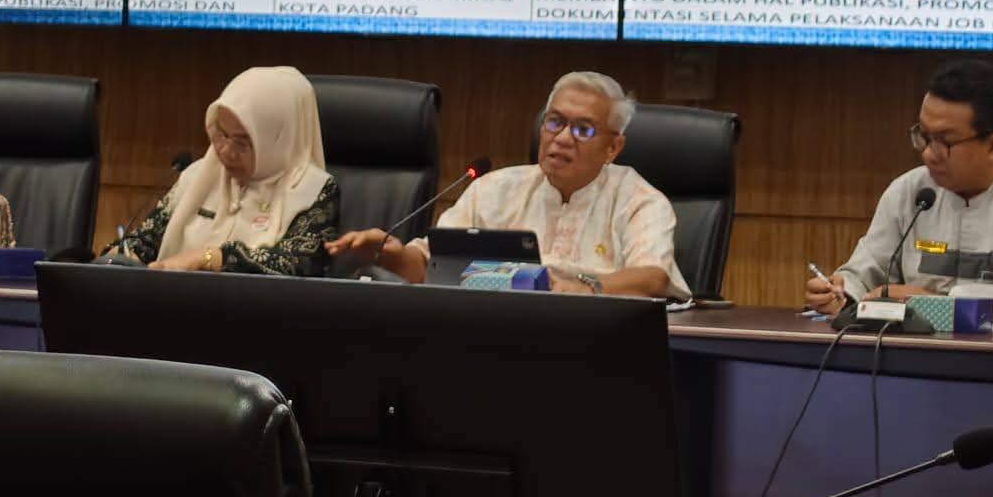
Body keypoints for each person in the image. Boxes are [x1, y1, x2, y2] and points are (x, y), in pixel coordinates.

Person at [325, 71, 691, 299]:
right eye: (554, 122)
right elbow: (432, 267)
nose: (563, 138)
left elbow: (653, 278)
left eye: (583, 129)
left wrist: (584, 289)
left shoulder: (638, 199)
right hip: (492, 341)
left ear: (613, 148)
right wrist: (387, 253)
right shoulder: (494, 190)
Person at [804, 59, 993, 324]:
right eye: (924, 136)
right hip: (917, 353)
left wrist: (939, 302)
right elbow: (865, 271)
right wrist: (841, 291)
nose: (928, 154)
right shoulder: (909, 191)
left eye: (944, 141)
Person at [108, 66, 338, 275]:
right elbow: (145, 241)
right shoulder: (197, 176)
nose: (226, 151)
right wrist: (122, 258)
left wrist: (211, 258)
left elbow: (298, 264)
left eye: (242, 141)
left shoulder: (313, 191)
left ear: (278, 139)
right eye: (222, 134)